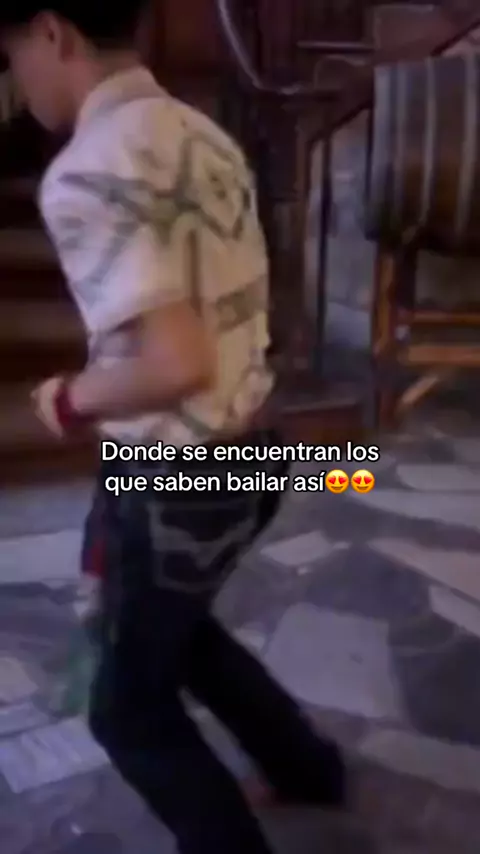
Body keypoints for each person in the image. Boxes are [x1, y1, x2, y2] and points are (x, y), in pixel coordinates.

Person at [0, 3, 346, 852]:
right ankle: (307, 769)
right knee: (178, 630)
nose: (18, 78)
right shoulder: (203, 133)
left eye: (13, 53)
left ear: (53, 32)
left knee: (128, 711)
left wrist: (70, 398)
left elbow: (174, 362)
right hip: (252, 449)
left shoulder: (88, 169)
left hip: (173, 480)